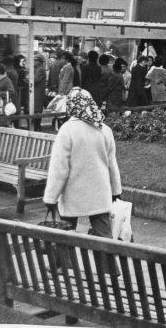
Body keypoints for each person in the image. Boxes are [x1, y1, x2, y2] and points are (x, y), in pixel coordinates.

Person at [43, 87, 122, 239]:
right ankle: (106, 263)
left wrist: (51, 198)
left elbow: (59, 169)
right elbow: (112, 164)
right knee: (104, 236)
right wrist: (116, 191)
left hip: (74, 195)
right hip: (100, 194)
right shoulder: (104, 129)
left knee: (66, 235)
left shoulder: (67, 130)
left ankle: (66, 263)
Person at [32, 54, 47, 130]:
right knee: (35, 109)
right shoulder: (36, 68)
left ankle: (37, 126)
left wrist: (27, 79)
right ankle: (37, 126)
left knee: (37, 109)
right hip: (35, 92)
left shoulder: (40, 69)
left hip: (38, 92)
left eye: (35, 60)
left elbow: (34, 80)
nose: (33, 62)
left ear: (39, 62)